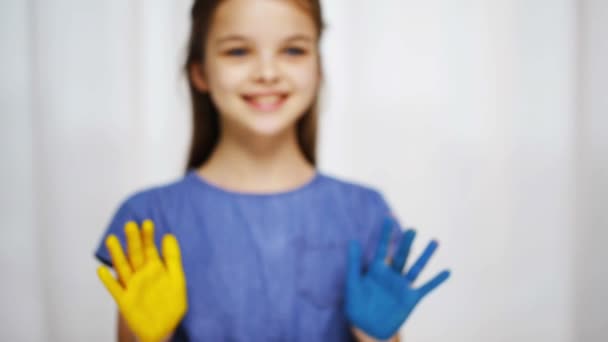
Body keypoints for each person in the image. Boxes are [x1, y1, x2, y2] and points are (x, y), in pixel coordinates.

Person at [94, 0, 451, 341]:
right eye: (238, 51)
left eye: (293, 50)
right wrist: (147, 338)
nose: (267, 73)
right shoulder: (149, 220)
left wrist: (376, 337)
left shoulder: (365, 212)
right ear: (200, 72)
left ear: (318, 67)